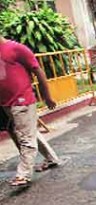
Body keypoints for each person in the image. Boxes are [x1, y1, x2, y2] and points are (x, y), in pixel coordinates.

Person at [0, 34, 64, 187]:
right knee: (26, 133)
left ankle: (23, 175)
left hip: (22, 100)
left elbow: (38, 70)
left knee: (25, 138)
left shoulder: (15, 48)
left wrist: (47, 96)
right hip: (5, 103)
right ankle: (51, 158)